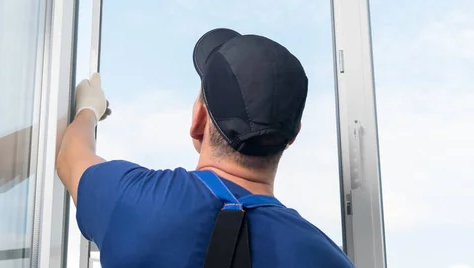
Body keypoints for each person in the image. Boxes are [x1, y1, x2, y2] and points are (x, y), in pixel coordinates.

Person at [56, 28, 356, 268]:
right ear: (292, 137)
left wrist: (89, 109)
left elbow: (70, 156)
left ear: (198, 121)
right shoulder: (325, 259)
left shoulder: (134, 198)